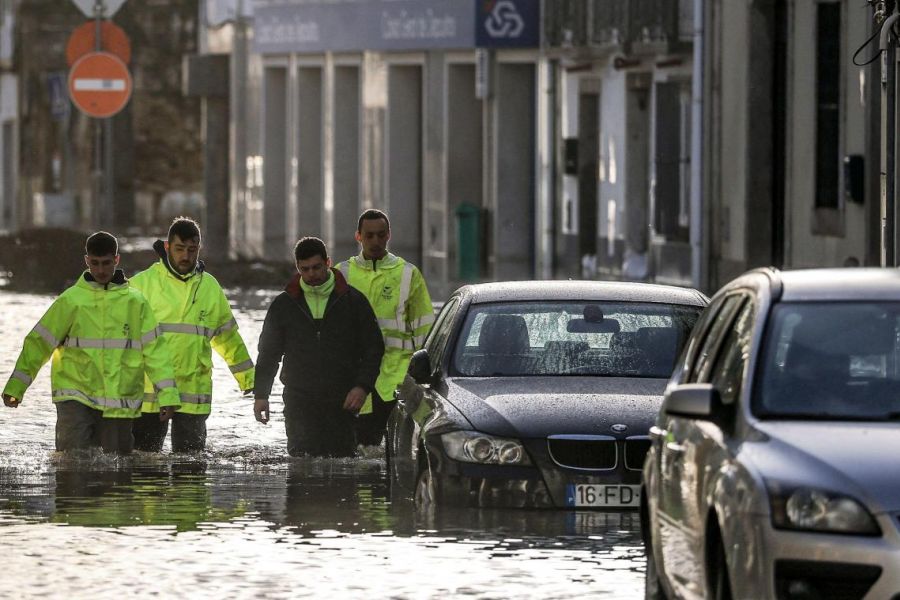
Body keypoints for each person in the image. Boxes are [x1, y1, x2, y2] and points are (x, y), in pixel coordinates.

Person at [2, 231, 180, 454]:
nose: (101, 270)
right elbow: (38, 344)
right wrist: (16, 387)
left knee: (118, 467)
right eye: (95, 263)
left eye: (106, 263)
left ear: (116, 260)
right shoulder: (71, 301)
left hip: (119, 400)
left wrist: (167, 395)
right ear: (86, 261)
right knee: (72, 462)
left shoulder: (136, 303)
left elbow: (156, 352)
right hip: (75, 397)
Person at [130, 217, 255, 452]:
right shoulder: (140, 285)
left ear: (199, 248)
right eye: (179, 249)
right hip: (149, 394)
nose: (186, 256)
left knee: (191, 466)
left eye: (192, 249)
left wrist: (248, 378)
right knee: (143, 465)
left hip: (193, 393)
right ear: (167, 247)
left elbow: (227, 337)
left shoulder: (209, 287)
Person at [253, 237, 384, 457]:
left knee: (342, 465)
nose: (311, 274)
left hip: (342, 400)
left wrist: (362, 387)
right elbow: (268, 354)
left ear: (328, 263)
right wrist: (261, 395)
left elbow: (374, 348)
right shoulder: (284, 305)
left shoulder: (353, 301)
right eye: (305, 269)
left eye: (316, 267)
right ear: (297, 268)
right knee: (300, 463)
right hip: (299, 400)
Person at [336, 209, 434, 446]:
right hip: (355, 378)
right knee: (359, 448)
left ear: (389, 235)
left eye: (381, 235)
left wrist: (427, 375)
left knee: (401, 449)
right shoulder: (341, 273)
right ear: (358, 236)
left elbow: (425, 331)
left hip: (397, 377)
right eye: (369, 236)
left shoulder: (408, 274)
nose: (375, 241)